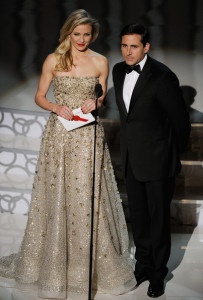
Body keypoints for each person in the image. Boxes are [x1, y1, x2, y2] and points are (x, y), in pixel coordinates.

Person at [0, 10, 136, 299]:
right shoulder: (54, 59)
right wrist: (55, 108)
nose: (82, 39)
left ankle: (89, 265)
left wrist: (94, 102)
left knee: (89, 195)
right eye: (77, 34)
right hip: (59, 136)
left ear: (93, 35)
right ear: (68, 34)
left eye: (87, 34)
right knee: (59, 194)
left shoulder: (100, 61)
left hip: (88, 136)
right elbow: (40, 95)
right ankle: (55, 265)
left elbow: (100, 98)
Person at [112, 24, 190, 298]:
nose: (128, 52)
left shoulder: (163, 77)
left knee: (158, 221)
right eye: (124, 45)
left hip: (158, 161)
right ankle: (143, 265)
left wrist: (171, 155)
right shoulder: (119, 71)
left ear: (146, 47)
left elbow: (180, 122)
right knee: (140, 219)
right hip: (132, 159)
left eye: (134, 46)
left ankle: (158, 274)